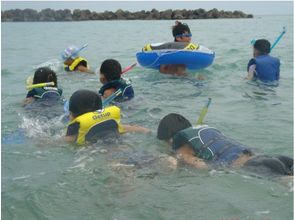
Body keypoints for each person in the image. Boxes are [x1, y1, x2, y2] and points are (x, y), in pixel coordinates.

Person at [156, 113, 293, 181]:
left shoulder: (182, 148)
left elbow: (202, 167)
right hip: (268, 157)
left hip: (255, 166)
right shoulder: (206, 130)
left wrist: (182, 165)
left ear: (170, 140)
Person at [63, 89, 151, 144]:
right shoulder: (118, 126)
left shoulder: (72, 138)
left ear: (72, 117)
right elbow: (147, 131)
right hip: (125, 147)